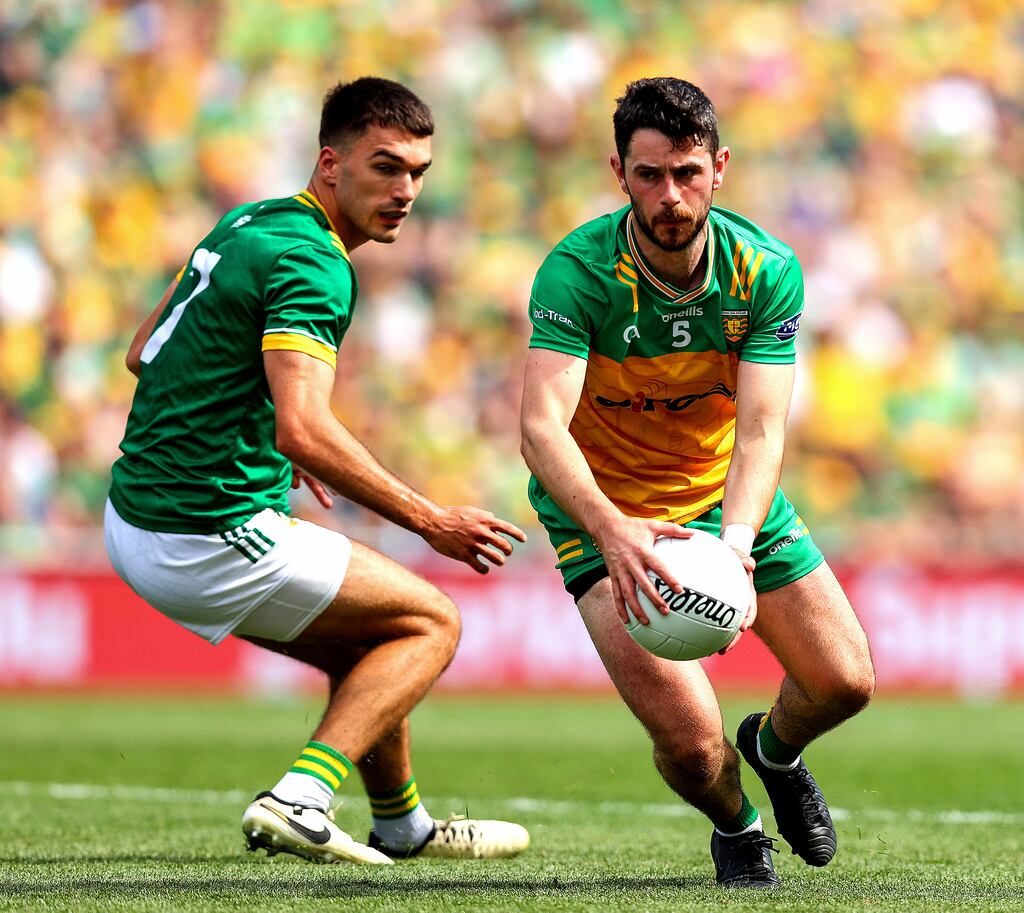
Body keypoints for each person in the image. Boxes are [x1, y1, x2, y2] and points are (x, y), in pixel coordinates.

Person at [105, 76, 530, 866]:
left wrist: (253, 431)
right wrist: (432, 520)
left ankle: (403, 825)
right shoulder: (317, 262)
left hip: (133, 517)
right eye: (385, 167)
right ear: (330, 164)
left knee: (370, 643)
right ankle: (299, 800)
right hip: (203, 529)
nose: (405, 190)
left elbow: (143, 352)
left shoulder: (251, 221)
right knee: (431, 621)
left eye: (418, 172)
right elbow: (305, 426)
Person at [519, 77, 874, 889]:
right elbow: (541, 427)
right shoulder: (577, 274)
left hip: (722, 493)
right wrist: (612, 530)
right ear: (619, 173)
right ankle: (739, 826)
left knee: (845, 681)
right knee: (687, 741)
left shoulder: (765, 270)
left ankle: (773, 750)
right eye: (649, 175)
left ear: (720, 167)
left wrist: (737, 543)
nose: (669, 195)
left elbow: (761, 429)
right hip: (605, 510)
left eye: (685, 172)